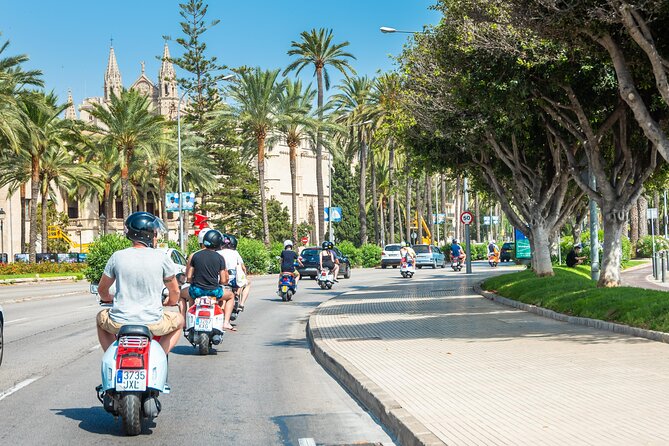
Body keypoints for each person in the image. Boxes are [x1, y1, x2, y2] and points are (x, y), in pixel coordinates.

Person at [96, 212, 184, 354]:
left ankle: (113, 355)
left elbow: (102, 290)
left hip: (120, 322)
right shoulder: (162, 258)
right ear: (148, 234)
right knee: (179, 320)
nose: (156, 237)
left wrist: (108, 299)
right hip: (153, 322)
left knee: (100, 318)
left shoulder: (117, 256)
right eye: (155, 233)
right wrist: (169, 301)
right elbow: (175, 292)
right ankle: (159, 355)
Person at [186, 229, 236, 331]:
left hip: (197, 291)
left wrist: (193, 282)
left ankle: (185, 321)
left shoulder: (195, 255)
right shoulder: (220, 257)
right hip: (213, 291)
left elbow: (189, 277)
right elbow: (223, 280)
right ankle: (226, 322)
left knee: (183, 296)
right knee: (231, 296)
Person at [218, 233, 250, 312]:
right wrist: (245, 275)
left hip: (220, 279)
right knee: (247, 283)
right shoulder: (235, 253)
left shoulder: (218, 252)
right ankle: (241, 304)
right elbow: (243, 268)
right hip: (232, 280)